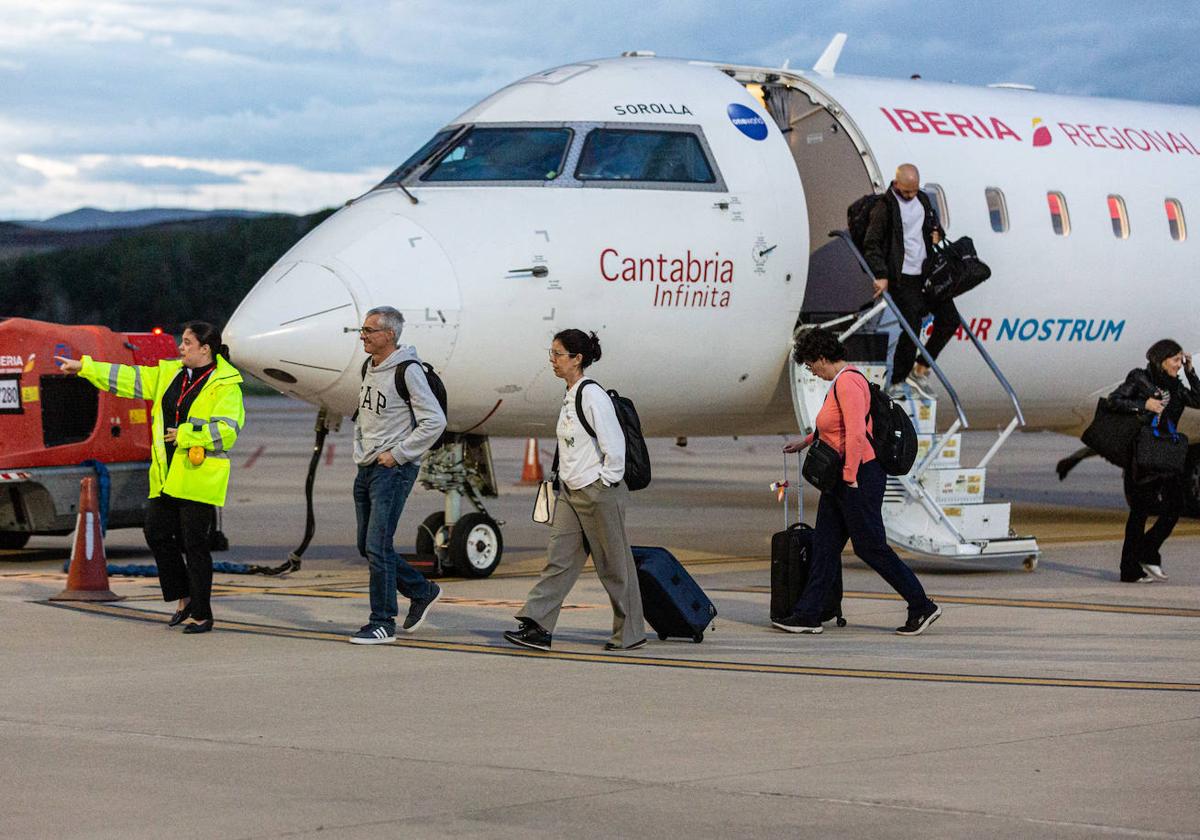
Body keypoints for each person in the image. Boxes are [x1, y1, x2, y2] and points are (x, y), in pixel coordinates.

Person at [55, 322, 245, 635]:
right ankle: (183, 596)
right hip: (167, 477)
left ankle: (202, 614)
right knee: (156, 532)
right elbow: (128, 378)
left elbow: (228, 431)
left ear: (205, 349)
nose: (180, 347)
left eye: (186, 342)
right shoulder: (169, 373)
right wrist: (85, 367)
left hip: (199, 479)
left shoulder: (226, 384)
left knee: (195, 546)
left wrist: (185, 434)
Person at [776, 327, 941, 635]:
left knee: (871, 547)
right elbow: (835, 427)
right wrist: (807, 441)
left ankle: (921, 605)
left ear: (823, 358)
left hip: (858, 476)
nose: (812, 373)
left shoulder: (849, 383)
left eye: (812, 366)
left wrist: (850, 476)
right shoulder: (843, 381)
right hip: (841, 477)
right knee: (825, 546)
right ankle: (808, 614)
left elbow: (854, 432)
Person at [504, 329, 646, 652]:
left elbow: (615, 447)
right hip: (570, 493)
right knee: (558, 561)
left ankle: (630, 632)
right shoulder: (570, 395)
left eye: (558, 354)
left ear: (577, 359)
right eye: (551, 353)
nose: (552, 361)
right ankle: (538, 625)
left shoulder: (591, 395)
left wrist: (604, 482)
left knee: (614, 566)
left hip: (598, 493)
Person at [349, 306, 447, 644]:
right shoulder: (369, 366)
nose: (362, 335)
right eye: (362, 330)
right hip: (367, 467)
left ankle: (382, 622)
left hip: (392, 470)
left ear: (389, 335)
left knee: (378, 545)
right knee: (367, 545)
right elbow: (366, 416)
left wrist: (397, 455)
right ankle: (421, 590)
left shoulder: (407, 371)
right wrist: (362, 451)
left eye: (369, 330)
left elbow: (434, 421)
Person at [1104, 339, 1199, 583]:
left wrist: (1191, 372)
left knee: (1174, 507)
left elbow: (1199, 401)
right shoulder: (1140, 378)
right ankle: (1129, 569)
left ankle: (1146, 551)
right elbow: (1114, 400)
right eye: (1176, 360)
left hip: (1166, 455)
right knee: (1140, 512)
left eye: (1181, 360)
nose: (1179, 365)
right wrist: (1143, 404)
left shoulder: (1176, 388)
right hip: (1143, 455)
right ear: (1161, 359)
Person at [862, 163, 952, 394]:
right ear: (896, 184)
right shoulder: (885, 207)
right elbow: (871, 243)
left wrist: (936, 234)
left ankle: (920, 368)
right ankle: (898, 380)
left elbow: (933, 226)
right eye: (907, 191)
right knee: (912, 325)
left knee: (950, 319)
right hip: (902, 277)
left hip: (926, 272)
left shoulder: (922, 199)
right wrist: (881, 275)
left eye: (915, 190)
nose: (912, 195)